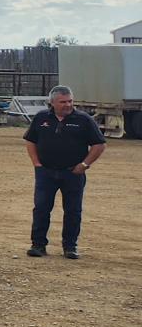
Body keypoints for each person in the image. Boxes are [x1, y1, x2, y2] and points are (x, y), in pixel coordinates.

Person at [24, 85, 106, 259]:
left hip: (73, 173)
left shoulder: (83, 120)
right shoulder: (41, 118)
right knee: (41, 208)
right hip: (46, 172)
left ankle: (70, 247)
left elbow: (99, 144)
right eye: (63, 102)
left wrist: (84, 164)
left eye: (70, 101)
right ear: (52, 102)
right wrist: (36, 163)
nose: (68, 105)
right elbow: (31, 140)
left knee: (73, 211)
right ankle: (38, 245)